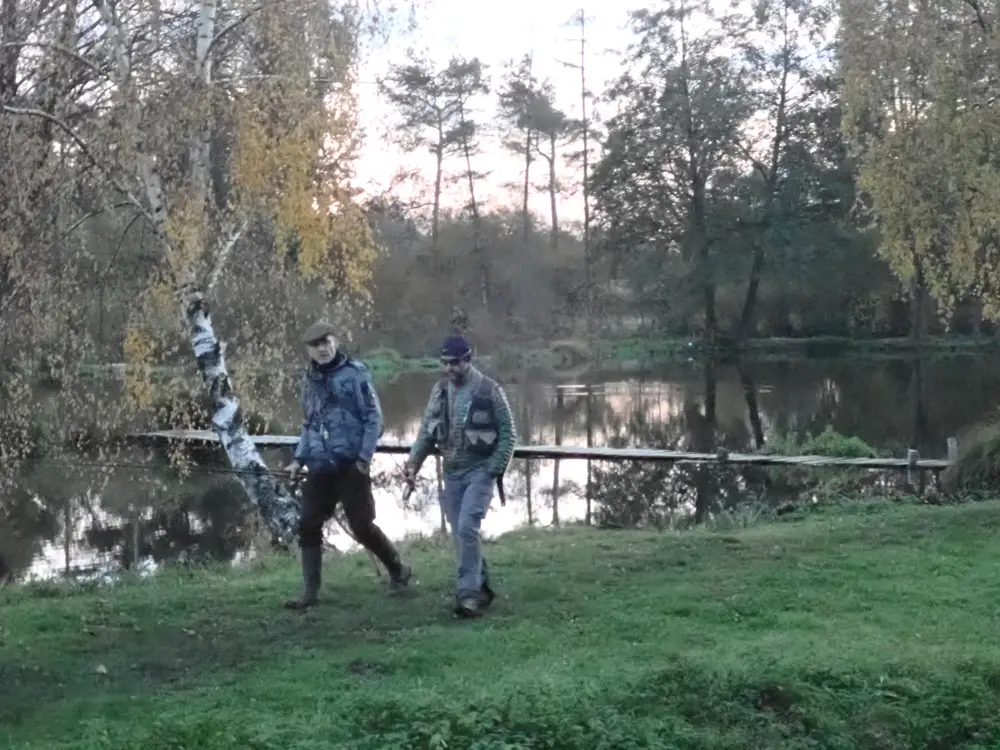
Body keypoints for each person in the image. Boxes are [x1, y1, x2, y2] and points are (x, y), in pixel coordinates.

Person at [283, 321, 412, 609]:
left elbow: (373, 418)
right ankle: (310, 593)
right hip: (320, 465)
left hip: (353, 463)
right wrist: (298, 459)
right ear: (309, 350)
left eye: (326, 342)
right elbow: (309, 423)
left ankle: (398, 570)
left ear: (336, 342)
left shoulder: (356, 374)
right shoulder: (309, 381)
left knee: (362, 526)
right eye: (316, 345)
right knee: (308, 524)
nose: (323, 349)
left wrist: (364, 459)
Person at [404, 335, 516, 618]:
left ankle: (467, 595)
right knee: (462, 533)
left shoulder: (491, 390)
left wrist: (494, 468)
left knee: (467, 528)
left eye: (454, 363)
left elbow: (508, 434)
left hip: (480, 471)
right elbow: (426, 432)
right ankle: (483, 587)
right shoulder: (440, 391)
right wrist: (412, 464)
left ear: (468, 359)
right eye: (444, 363)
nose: (449, 368)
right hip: (452, 473)